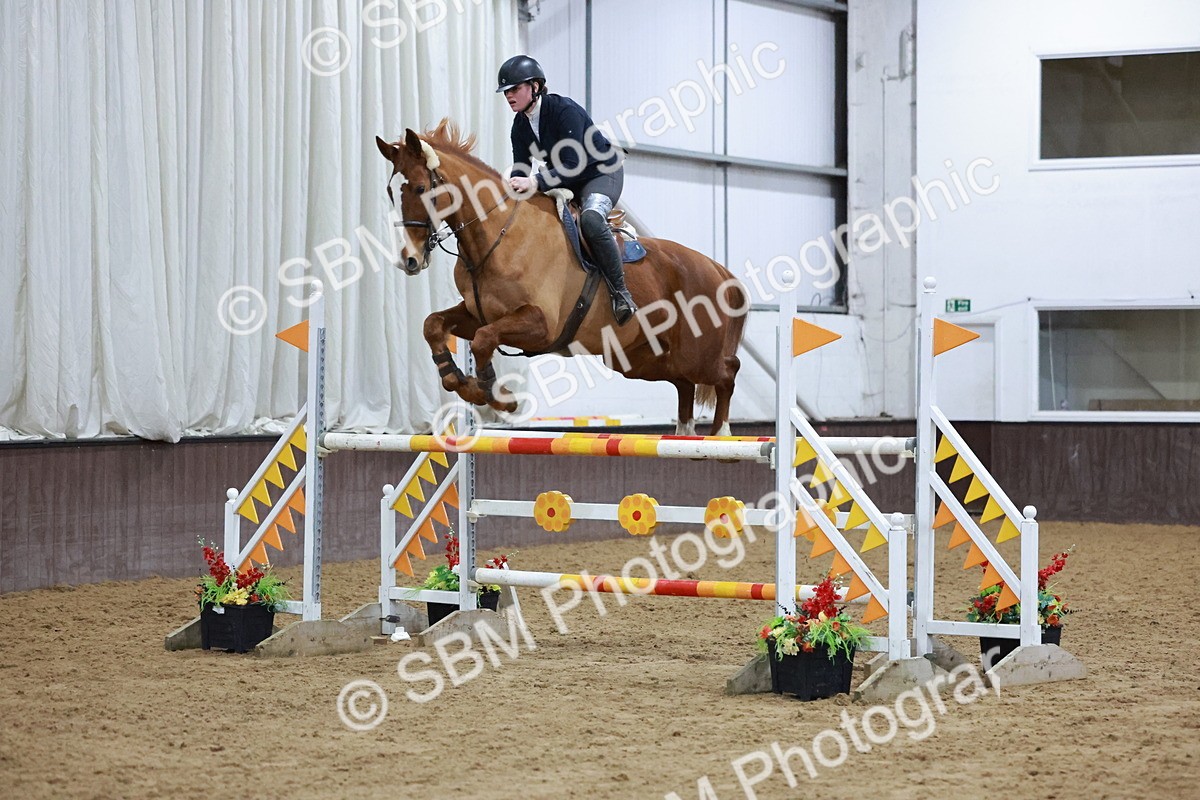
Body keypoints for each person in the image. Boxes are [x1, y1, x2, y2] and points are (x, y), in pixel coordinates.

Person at [497, 54, 638, 325]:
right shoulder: (520, 125)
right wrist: (513, 187)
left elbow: (575, 162)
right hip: (567, 178)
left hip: (601, 172)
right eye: (506, 92)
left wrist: (536, 182)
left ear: (535, 87)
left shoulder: (564, 111)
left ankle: (621, 294)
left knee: (591, 220)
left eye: (515, 89)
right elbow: (521, 166)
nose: (509, 96)